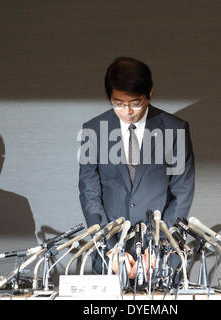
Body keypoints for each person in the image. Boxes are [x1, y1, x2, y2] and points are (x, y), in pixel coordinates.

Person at [78, 57, 195, 275]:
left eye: (135, 103)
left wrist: (159, 248)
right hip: (109, 256)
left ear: (149, 94)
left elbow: (182, 194)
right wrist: (111, 248)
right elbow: (89, 194)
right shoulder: (93, 130)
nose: (127, 111)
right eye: (118, 103)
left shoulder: (175, 130)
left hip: (160, 259)